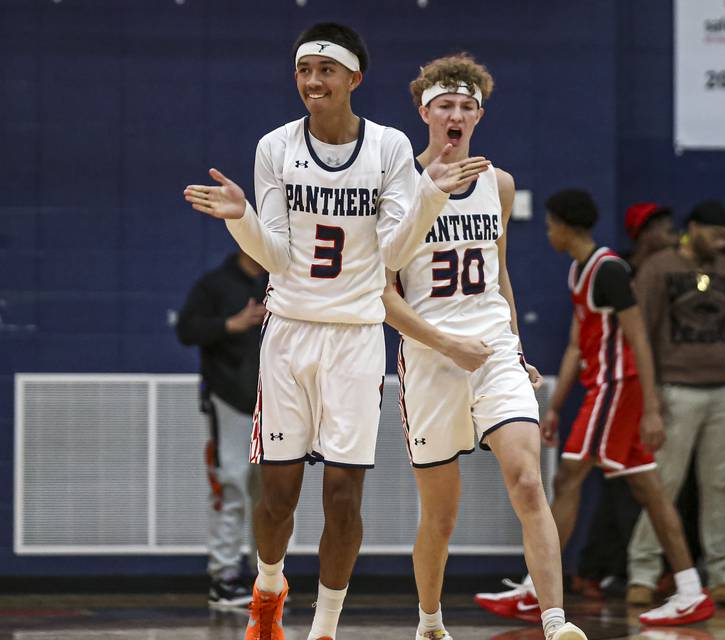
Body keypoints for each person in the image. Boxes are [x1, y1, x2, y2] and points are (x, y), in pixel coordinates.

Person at [183, 23, 487, 640]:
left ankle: (323, 629)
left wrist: (428, 197)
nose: (312, 82)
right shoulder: (275, 146)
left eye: (325, 70)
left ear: (354, 79)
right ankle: (268, 589)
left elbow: (396, 251)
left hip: (355, 336)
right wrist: (240, 219)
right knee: (278, 494)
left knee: (344, 496)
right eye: (303, 71)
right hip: (291, 331)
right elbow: (272, 254)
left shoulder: (390, 148)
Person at [382, 54, 587, 640]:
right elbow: (383, 295)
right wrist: (446, 343)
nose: (456, 114)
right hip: (430, 354)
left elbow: (499, 275)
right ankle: (429, 621)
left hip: (493, 346)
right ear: (424, 111)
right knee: (440, 516)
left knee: (527, 479)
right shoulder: (396, 189)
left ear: (479, 116)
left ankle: (555, 622)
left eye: (466, 107)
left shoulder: (499, 183)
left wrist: (515, 349)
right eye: (445, 105)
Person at [535, 189, 711, 626]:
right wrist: (554, 407)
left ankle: (538, 589)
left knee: (569, 474)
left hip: (618, 387)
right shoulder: (579, 271)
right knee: (649, 489)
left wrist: (652, 408)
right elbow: (578, 345)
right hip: (606, 387)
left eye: (549, 222)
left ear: (564, 225)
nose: (546, 230)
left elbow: (639, 340)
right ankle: (690, 590)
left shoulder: (609, 270)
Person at [627, 200, 725, 607]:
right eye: (715, 234)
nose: (721, 242)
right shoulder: (659, 268)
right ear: (694, 228)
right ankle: (643, 571)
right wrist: (649, 400)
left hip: (723, 386)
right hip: (676, 388)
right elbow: (640, 336)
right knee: (664, 482)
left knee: (719, 484)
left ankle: (722, 574)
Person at [571, 202, 680, 598]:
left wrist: (650, 403)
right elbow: (628, 339)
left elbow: (642, 341)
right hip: (626, 385)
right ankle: (657, 576)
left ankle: (670, 577)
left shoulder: (653, 269)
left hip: (633, 385)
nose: (671, 231)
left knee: (635, 485)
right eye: (660, 225)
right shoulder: (618, 270)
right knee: (627, 486)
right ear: (642, 233)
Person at [176, 250, 269, 607]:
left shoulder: (280, 281)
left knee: (270, 495)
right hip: (229, 398)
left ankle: (268, 578)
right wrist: (232, 324)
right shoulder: (215, 284)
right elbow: (187, 329)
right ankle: (224, 577)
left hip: (275, 404)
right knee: (230, 485)